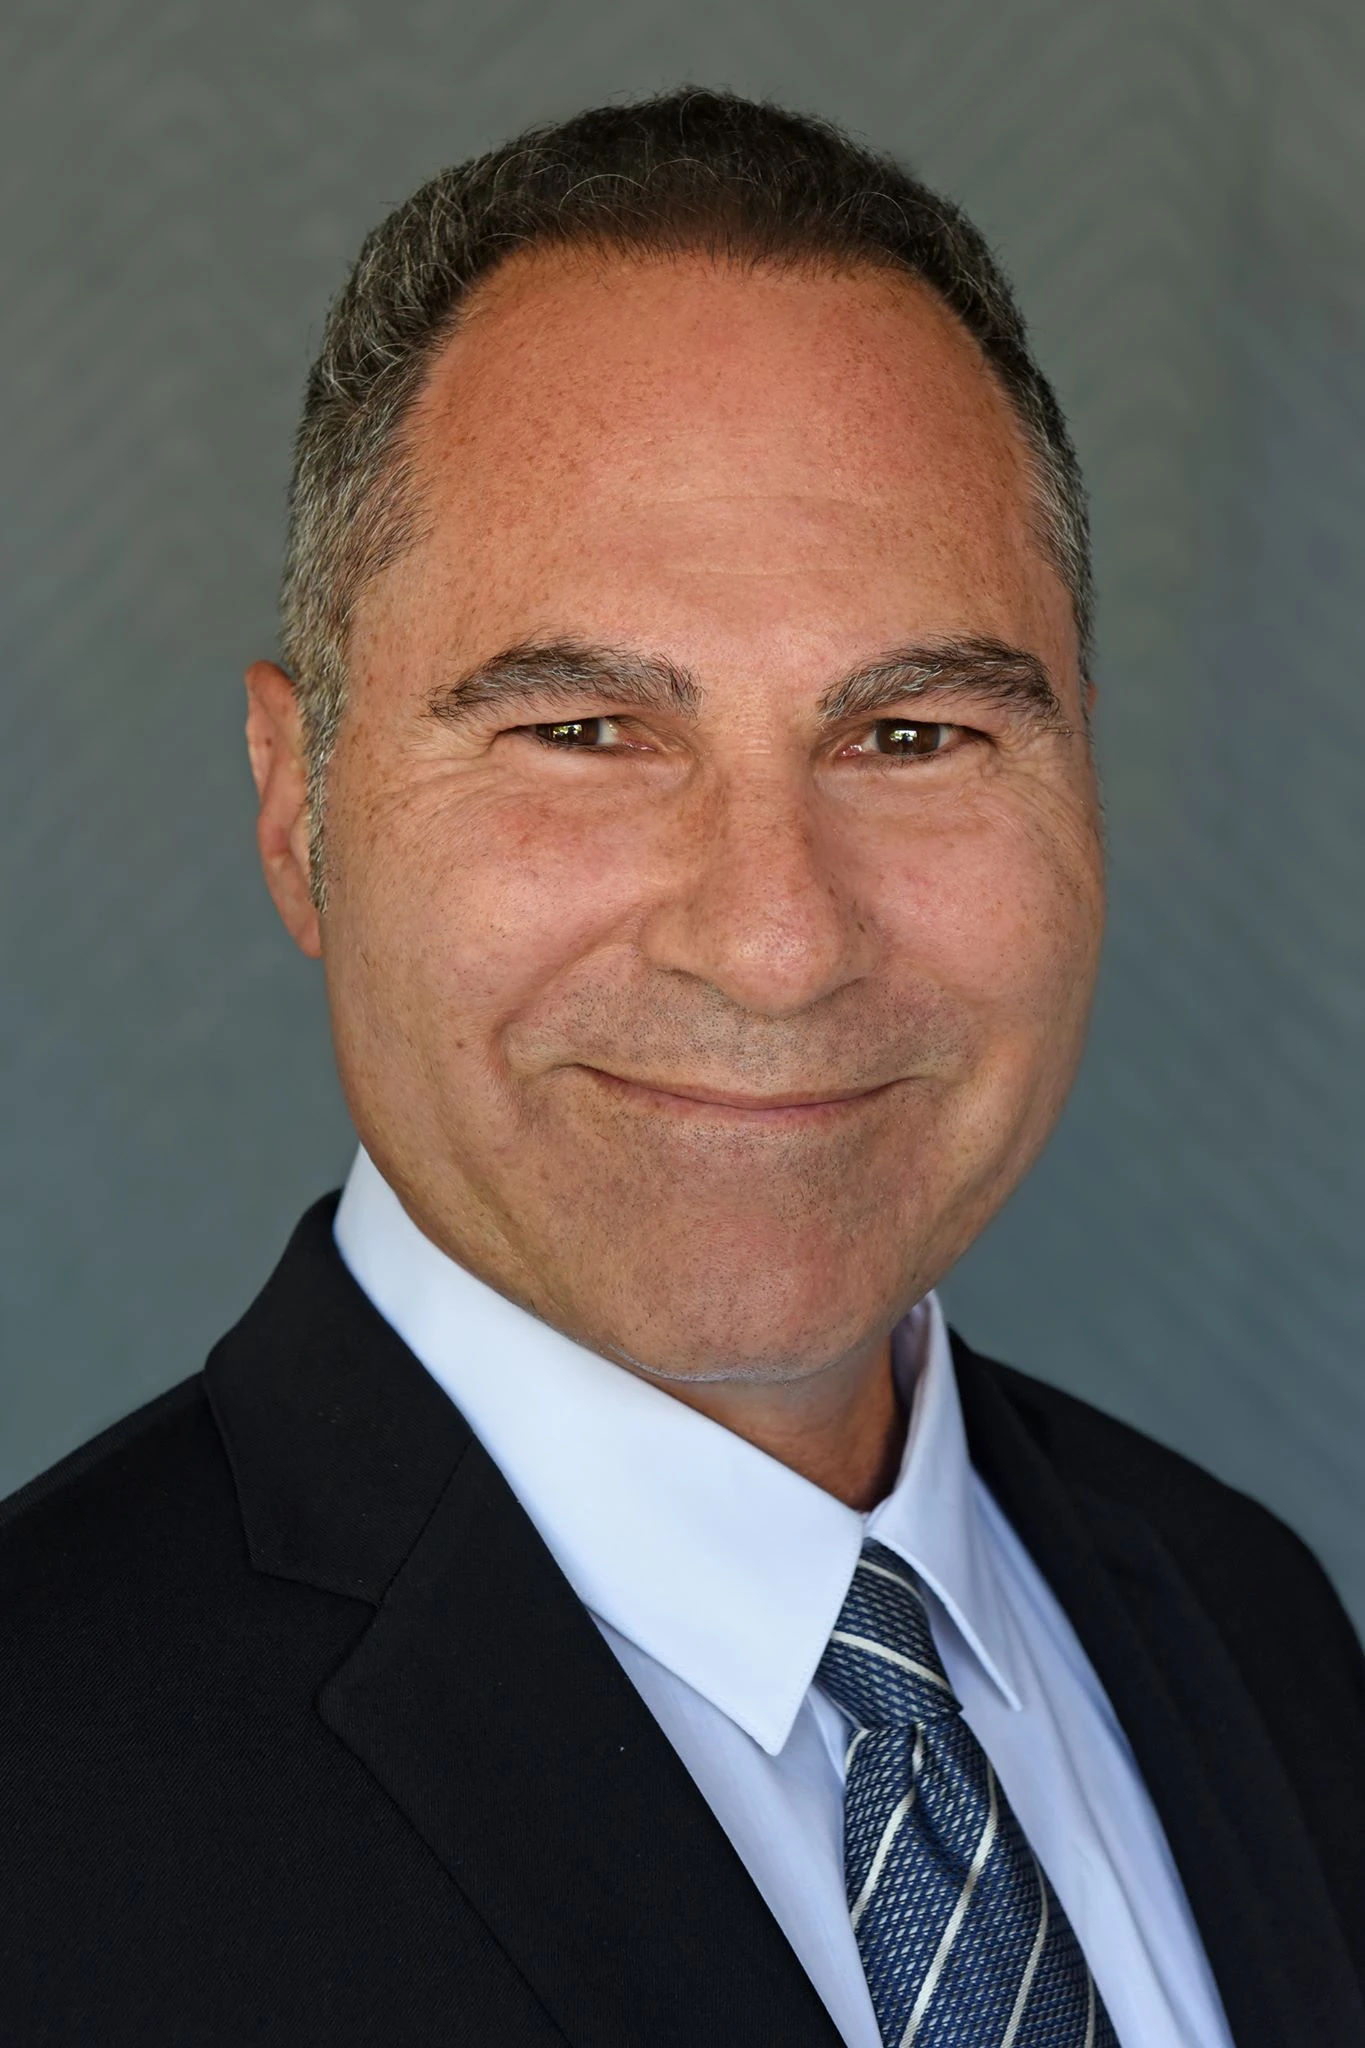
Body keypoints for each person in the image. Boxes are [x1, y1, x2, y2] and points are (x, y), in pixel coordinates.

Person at [2, 88, 1361, 2048]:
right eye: (582, 732)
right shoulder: (41, 1805)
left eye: (911, 734)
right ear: (298, 813)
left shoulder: (1250, 1621)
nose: (777, 940)